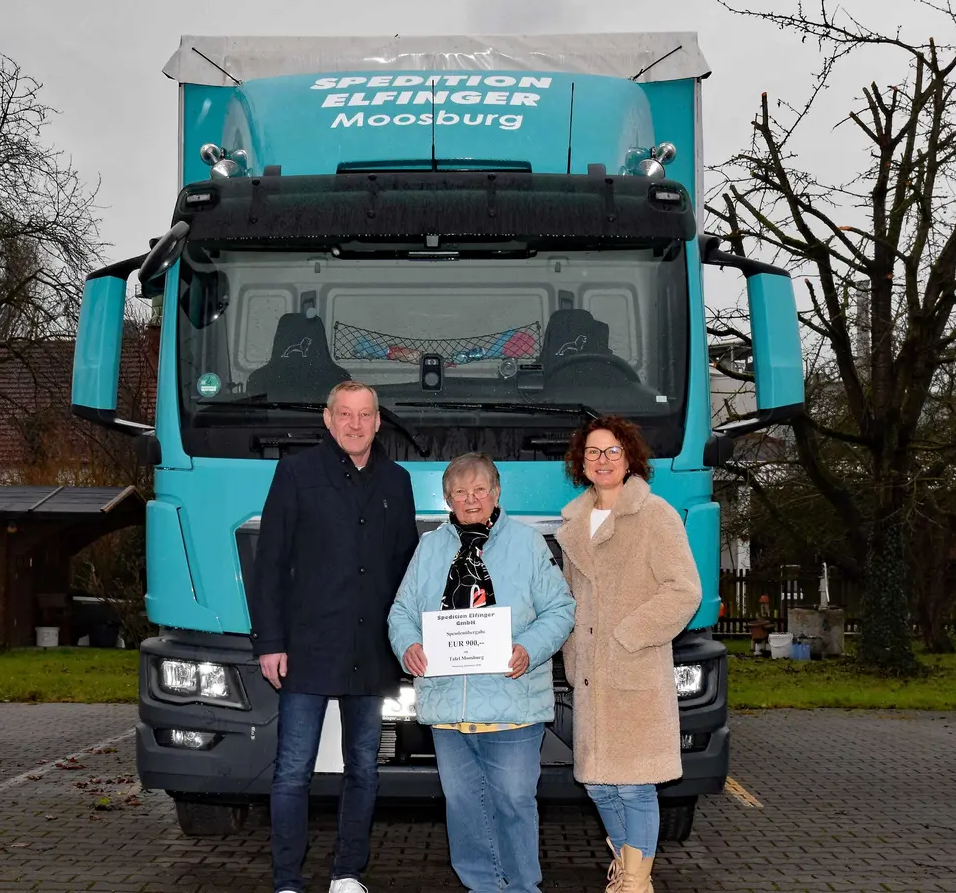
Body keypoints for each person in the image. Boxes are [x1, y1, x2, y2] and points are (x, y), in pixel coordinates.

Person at [248, 381, 420, 893]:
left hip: (371, 656)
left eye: (364, 415)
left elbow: (406, 570)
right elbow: (271, 566)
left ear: (377, 422)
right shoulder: (297, 474)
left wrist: (411, 638)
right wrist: (269, 643)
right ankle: (287, 880)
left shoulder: (397, 481)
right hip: (305, 651)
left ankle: (347, 873)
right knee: (292, 772)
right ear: (328, 419)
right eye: (344, 414)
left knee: (363, 770)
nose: (355, 424)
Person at [387, 453, 576, 893]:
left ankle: (523, 886)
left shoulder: (528, 544)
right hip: (449, 708)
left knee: (513, 800)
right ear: (448, 498)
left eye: (480, 490)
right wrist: (409, 646)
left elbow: (561, 609)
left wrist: (528, 649)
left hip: (513, 704)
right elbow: (401, 611)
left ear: (496, 493)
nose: (471, 499)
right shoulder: (430, 547)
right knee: (464, 805)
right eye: (460, 492)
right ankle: (483, 886)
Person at [554, 416, 701, 893]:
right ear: (581, 462)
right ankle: (628, 872)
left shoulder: (656, 515)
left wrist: (629, 634)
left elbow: (684, 591)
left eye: (612, 451)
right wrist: (574, 655)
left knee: (635, 784)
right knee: (598, 784)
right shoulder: (573, 522)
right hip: (592, 678)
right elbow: (571, 599)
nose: (602, 460)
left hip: (634, 668)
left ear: (630, 458)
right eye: (593, 452)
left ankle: (636, 885)